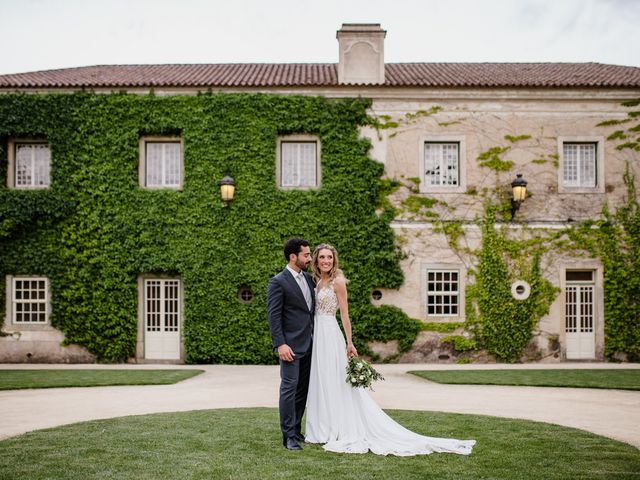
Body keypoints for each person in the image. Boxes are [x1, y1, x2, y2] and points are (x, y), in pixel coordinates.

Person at [304, 243, 476, 456]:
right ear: (316, 261)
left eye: (329, 257)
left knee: (335, 380)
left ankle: (336, 428)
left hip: (330, 333)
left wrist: (349, 342)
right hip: (317, 335)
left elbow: (345, 315)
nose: (326, 261)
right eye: (322, 257)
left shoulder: (338, 282)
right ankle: (322, 428)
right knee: (321, 379)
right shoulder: (316, 281)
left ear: (334, 260)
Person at [267, 238, 316, 451]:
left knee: (302, 390)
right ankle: (287, 436)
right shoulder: (278, 281)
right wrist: (280, 344)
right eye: (306, 255)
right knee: (289, 389)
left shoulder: (309, 278)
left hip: (311, 345)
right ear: (293, 256)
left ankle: (296, 429)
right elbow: (274, 316)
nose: (310, 258)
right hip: (290, 347)